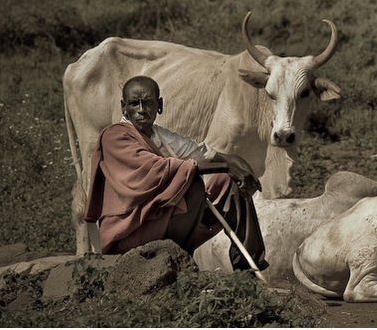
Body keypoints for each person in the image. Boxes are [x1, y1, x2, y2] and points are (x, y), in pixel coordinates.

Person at [84, 75, 266, 270]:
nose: (141, 110)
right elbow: (157, 169)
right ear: (123, 107)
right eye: (134, 104)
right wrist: (225, 166)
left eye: (148, 103)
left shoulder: (160, 136)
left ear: (159, 105)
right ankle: (179, 262)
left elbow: (202, 153)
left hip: (160, 222)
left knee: (229, 184)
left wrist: (233, 162)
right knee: (192, 184)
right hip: (130, 231)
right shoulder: (115, 136)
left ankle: (248, 267)